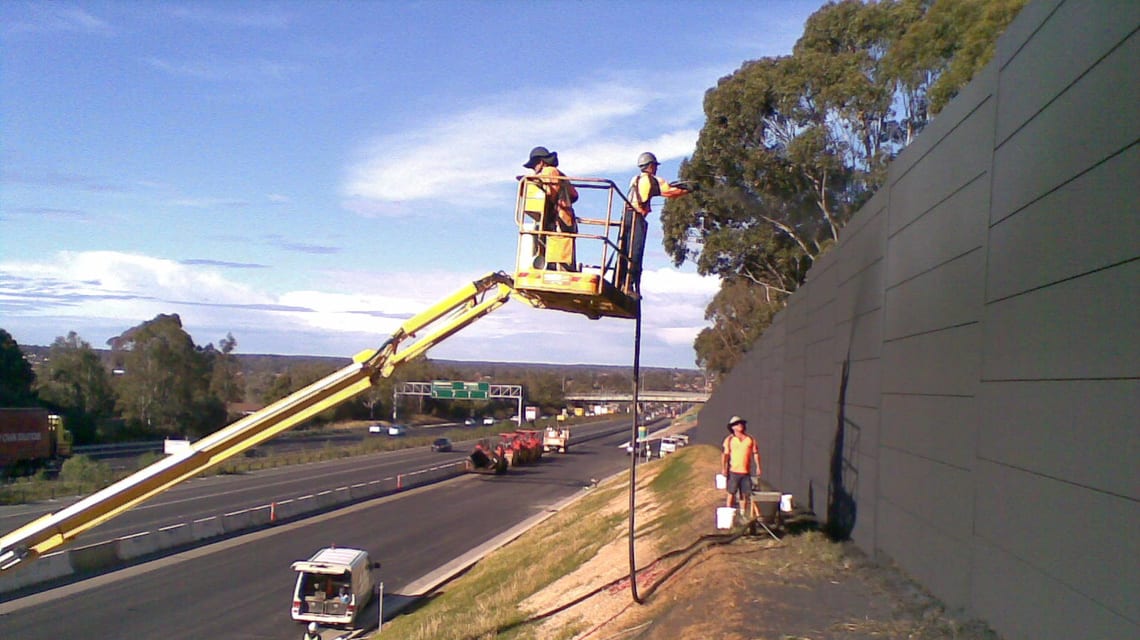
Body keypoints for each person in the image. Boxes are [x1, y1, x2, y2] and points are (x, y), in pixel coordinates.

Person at [619, 151, 692, 293]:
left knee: (623, 249)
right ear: (650, 166)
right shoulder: (653, 180)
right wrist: (687, 190)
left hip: (625, 217)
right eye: (655, 166)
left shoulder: (635, 179)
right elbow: (669, 192)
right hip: (637, 218)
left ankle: (620, 281)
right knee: (635, 251)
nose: (657, 168)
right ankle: (629, 285)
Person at [523, 146, 579, 271]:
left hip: (560, 218)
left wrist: (534, 182)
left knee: (560, 254)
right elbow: (574, 195)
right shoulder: (559, 174)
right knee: (562, 251)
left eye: (534, 166)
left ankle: (558, 271)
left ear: (541, 162)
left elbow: (551, 193)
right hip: (563, 218)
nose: (534, 170)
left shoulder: (549, 171)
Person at [721, 415, 761, 517]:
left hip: (746, 472)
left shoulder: (750, 439)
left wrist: (758, 466)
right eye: (737, 424)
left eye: (741, 424)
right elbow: (725, 455)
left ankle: (743, 513)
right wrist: (724, 468)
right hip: (733, 471)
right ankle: (728, 514)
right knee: (731, 492)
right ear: (733, 427)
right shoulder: (729, 440)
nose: (740, 425)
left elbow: (755, 453)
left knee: (744, 494)